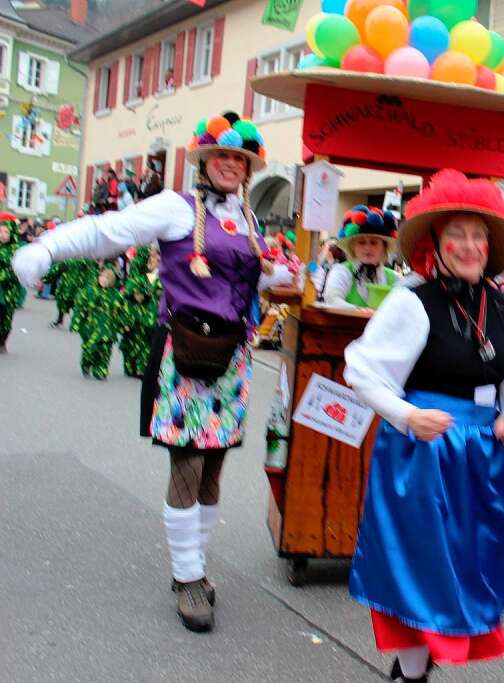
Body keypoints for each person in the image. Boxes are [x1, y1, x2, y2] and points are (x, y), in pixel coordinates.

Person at [12, 111, 294, 632]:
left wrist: (284, 277)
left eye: (240, 159)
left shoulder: (249, 220)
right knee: (187, 463)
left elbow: (257, 280)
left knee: (214, 467)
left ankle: (197, 565)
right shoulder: (175, 207)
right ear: (204, 162)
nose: (231, 165)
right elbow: (107, 233)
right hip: (185, 351)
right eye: (221, 157)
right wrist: (47, 247)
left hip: (232, 356)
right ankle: (187, 579)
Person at [343, 170, 504, 683]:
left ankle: (419, 662)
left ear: (493, 246)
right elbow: (361, 369)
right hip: (424, 451)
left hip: (481, 455)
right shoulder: (412, 301)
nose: (469, 246)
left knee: (468, 562)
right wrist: (406, 416)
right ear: (436, 242)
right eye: (458, 234)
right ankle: (411, 673)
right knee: (425, 568)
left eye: (479, 235)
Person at [323, 205, 399, 310]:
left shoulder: (395, 278)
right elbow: (332, 299)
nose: (367, 247)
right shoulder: (342, 271)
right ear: (353, 247)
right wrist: (360, 312)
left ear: (384, 247)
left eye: (374, 243)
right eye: (361, 242)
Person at [75, 261, 125, 380]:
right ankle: (86, 364)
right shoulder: (90, 291)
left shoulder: (116, 295)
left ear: (111, 281)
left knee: (105, 350)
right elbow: (81, 307)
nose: (103, 280)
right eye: (102, 277)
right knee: (91, 348)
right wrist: (77, 322)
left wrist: (122, 324)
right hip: (92, 326)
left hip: (108, 328)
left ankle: (101, 369)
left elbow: (121, 312)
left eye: (106, 278)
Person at [118, 246, 160, 378]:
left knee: (145, 345)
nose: (153, 262)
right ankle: (130, 367)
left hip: (151, 316)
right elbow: (132, 286)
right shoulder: (141, 272)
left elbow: (157, 290)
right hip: (135, 313)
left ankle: (142, 369)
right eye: (151, 259)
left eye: (156, 260)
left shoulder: (158, 276)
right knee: (130, 342)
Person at [0, 213, 24, 353]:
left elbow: (17, 271)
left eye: (6, 232)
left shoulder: (16, 250)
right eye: (0, 231)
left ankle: (2, 340)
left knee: (6, 318)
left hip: (9, 290)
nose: (2, 235)